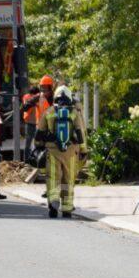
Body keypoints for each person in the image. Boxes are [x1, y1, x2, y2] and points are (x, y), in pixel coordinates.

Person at [34, 85, 88, 218]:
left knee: (53, 177)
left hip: (52, 151)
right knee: (68, 179)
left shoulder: (49, 112)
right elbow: (81, 133)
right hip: (71, 151)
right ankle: (67, 208)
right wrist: (83, 150)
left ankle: (53, 201)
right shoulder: (75, 113)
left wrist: (39, 145)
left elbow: (39, 132)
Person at [21, 76, 54, 163]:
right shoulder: (38, 97)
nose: (44, 90)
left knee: (52, 147)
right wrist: (27, 105)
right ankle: (38, 164)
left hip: (53, 127)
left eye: (45, 88)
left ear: (50, 88)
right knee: (38, 147)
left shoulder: (55, 98)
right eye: (42, 88)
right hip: (40, 127)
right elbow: (26, 105)